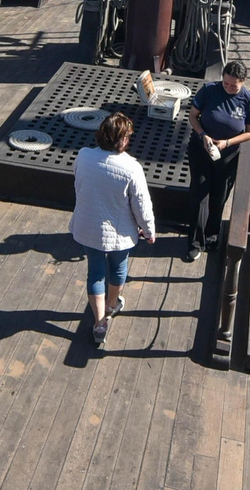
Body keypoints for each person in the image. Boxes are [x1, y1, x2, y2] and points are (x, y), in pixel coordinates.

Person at [70, 112, 155, 346]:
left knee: (95, 272)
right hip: (119, 233)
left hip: (87, 226)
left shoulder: (83, 156)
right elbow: (142, 205)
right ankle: (111, 305)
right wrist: (149, 231)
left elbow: (78, 182)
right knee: (118, 268)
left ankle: (99, 324)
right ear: (123, 139)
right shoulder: (132, 168)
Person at [184, 60, 250, 263]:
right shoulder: (209, 90)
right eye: (225, 83)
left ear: (243, 81)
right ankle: (195, 242)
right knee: (199, 194)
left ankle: (212, 236)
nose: (228, 88)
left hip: (227, 155)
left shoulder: (249, 101)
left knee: (219, 196)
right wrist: (203, 135)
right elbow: (193, 116)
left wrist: (227, 143)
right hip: (202, 149)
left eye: (233, 85)